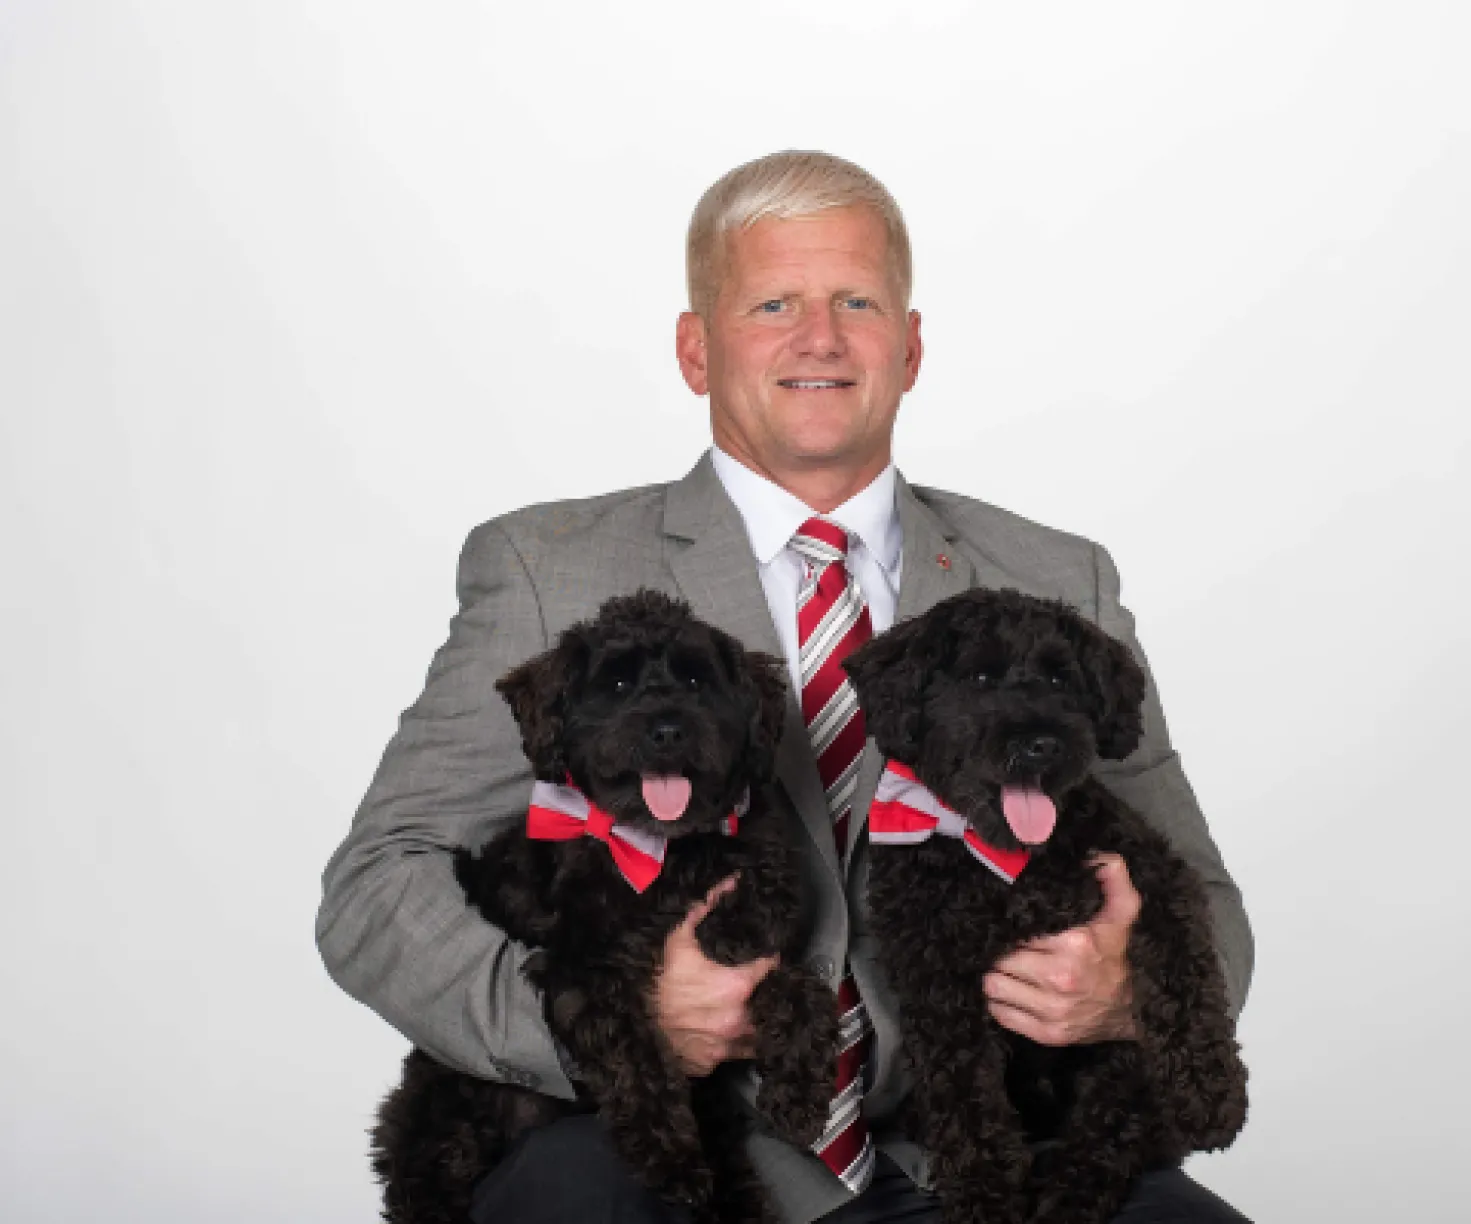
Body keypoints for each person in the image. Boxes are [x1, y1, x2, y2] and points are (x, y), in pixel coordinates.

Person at [318, 150, 1253, 1224]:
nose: (820, 337)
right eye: (773, 303)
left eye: (857, 300)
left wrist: (1128, 992)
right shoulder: (545, 569)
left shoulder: (1054, 577)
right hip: (660, 1141)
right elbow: (376, 889)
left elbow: (1205, 896)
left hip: (977, 1146)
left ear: (909, 345)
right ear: (694, 348)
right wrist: (602, 1023)